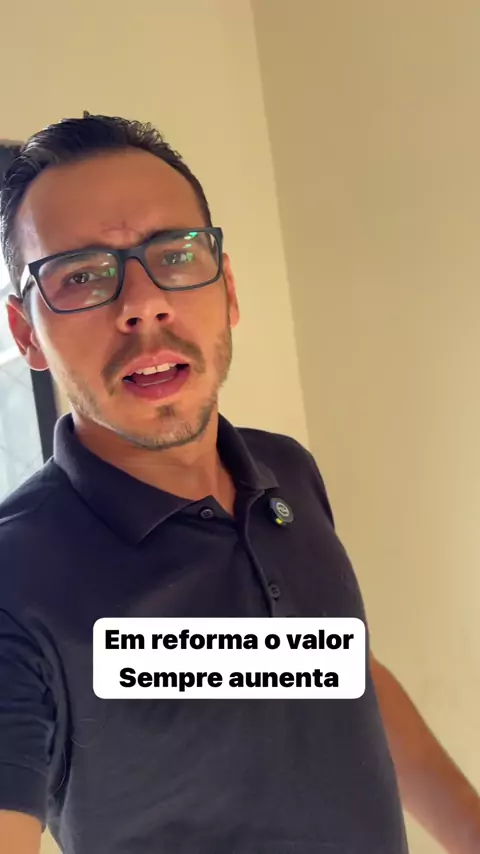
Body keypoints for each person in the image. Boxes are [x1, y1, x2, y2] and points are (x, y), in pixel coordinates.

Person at [0, 114, 478, 854]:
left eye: (175, 254)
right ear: (27, 332)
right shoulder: (16, 577)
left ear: (226, 289)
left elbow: (332, 669)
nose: (142, 303)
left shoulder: (285, 471)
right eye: (82, 276)